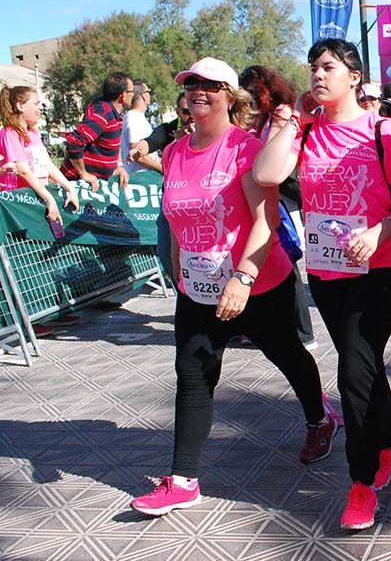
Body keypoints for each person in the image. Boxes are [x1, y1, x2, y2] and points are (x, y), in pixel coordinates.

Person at [130, 57, 339, 517]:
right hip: (199, 290)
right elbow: (180, 223)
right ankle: (183, 480)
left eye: (209, 85)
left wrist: (243, 277)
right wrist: (182, 278)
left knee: (287, 354)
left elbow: (266, 222)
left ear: (230, 96)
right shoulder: (174, 153)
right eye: (191, 85)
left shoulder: (245, 149)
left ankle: (320, 418)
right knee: (193, 375)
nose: (198, 92)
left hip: (258, 283)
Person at [254, 40, 391, 529]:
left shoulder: (382, 129)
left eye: (328, 67)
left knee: (352, 372)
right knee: (364, 368)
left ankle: (362, 481)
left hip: (380, 272)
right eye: (312, 68)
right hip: (328, 276)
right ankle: (390, 447)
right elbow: (267, 174)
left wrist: (379, 230)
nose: (317, 76)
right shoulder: (305, 133)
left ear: (354, 75)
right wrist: (291, 122)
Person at [239, 65, 318, 351]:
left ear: (265, 88)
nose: (247, 96)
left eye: (251, 90)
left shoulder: (284, 114)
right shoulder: (263, 118)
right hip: (269, 196)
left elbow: (272, 162)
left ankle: (303, 332)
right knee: (273, 261)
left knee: (287, 262)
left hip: (283, 196)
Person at [130, 93, 193, 283]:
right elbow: (149, 142)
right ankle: (180, 291)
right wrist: (139, 149)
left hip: (200, 203)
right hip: (172, 202)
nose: (192, 115)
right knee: (166, 250)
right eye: (186, 111)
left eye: (195, 107)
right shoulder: (170, 129)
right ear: (178, 112)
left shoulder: (208, 129)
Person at [0, 85, 80, 215]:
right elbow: (24, 171)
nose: (40, 108)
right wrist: (49, 199)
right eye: (36, 103)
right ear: (20, 106)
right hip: (19, 204)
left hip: (38, 200)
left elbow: (49, 166)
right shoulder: (10, 134)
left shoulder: (34, 134)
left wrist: (70, 189)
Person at [60, 71, 133, 191]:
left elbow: (112, 145)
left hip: (93, 185)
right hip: (76, 185)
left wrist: (118, 166)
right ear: (123, 95)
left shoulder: (113, 113)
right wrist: (83, 174)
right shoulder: (103, 113)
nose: (133, 95)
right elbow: (74, 141)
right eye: (132, 91)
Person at [121, 81, 159, 174]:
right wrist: (163, 169)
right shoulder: (134, 118)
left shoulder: (136, 117)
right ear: (144, 95)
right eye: (148, 92)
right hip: (142, 178)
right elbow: (137, 154)